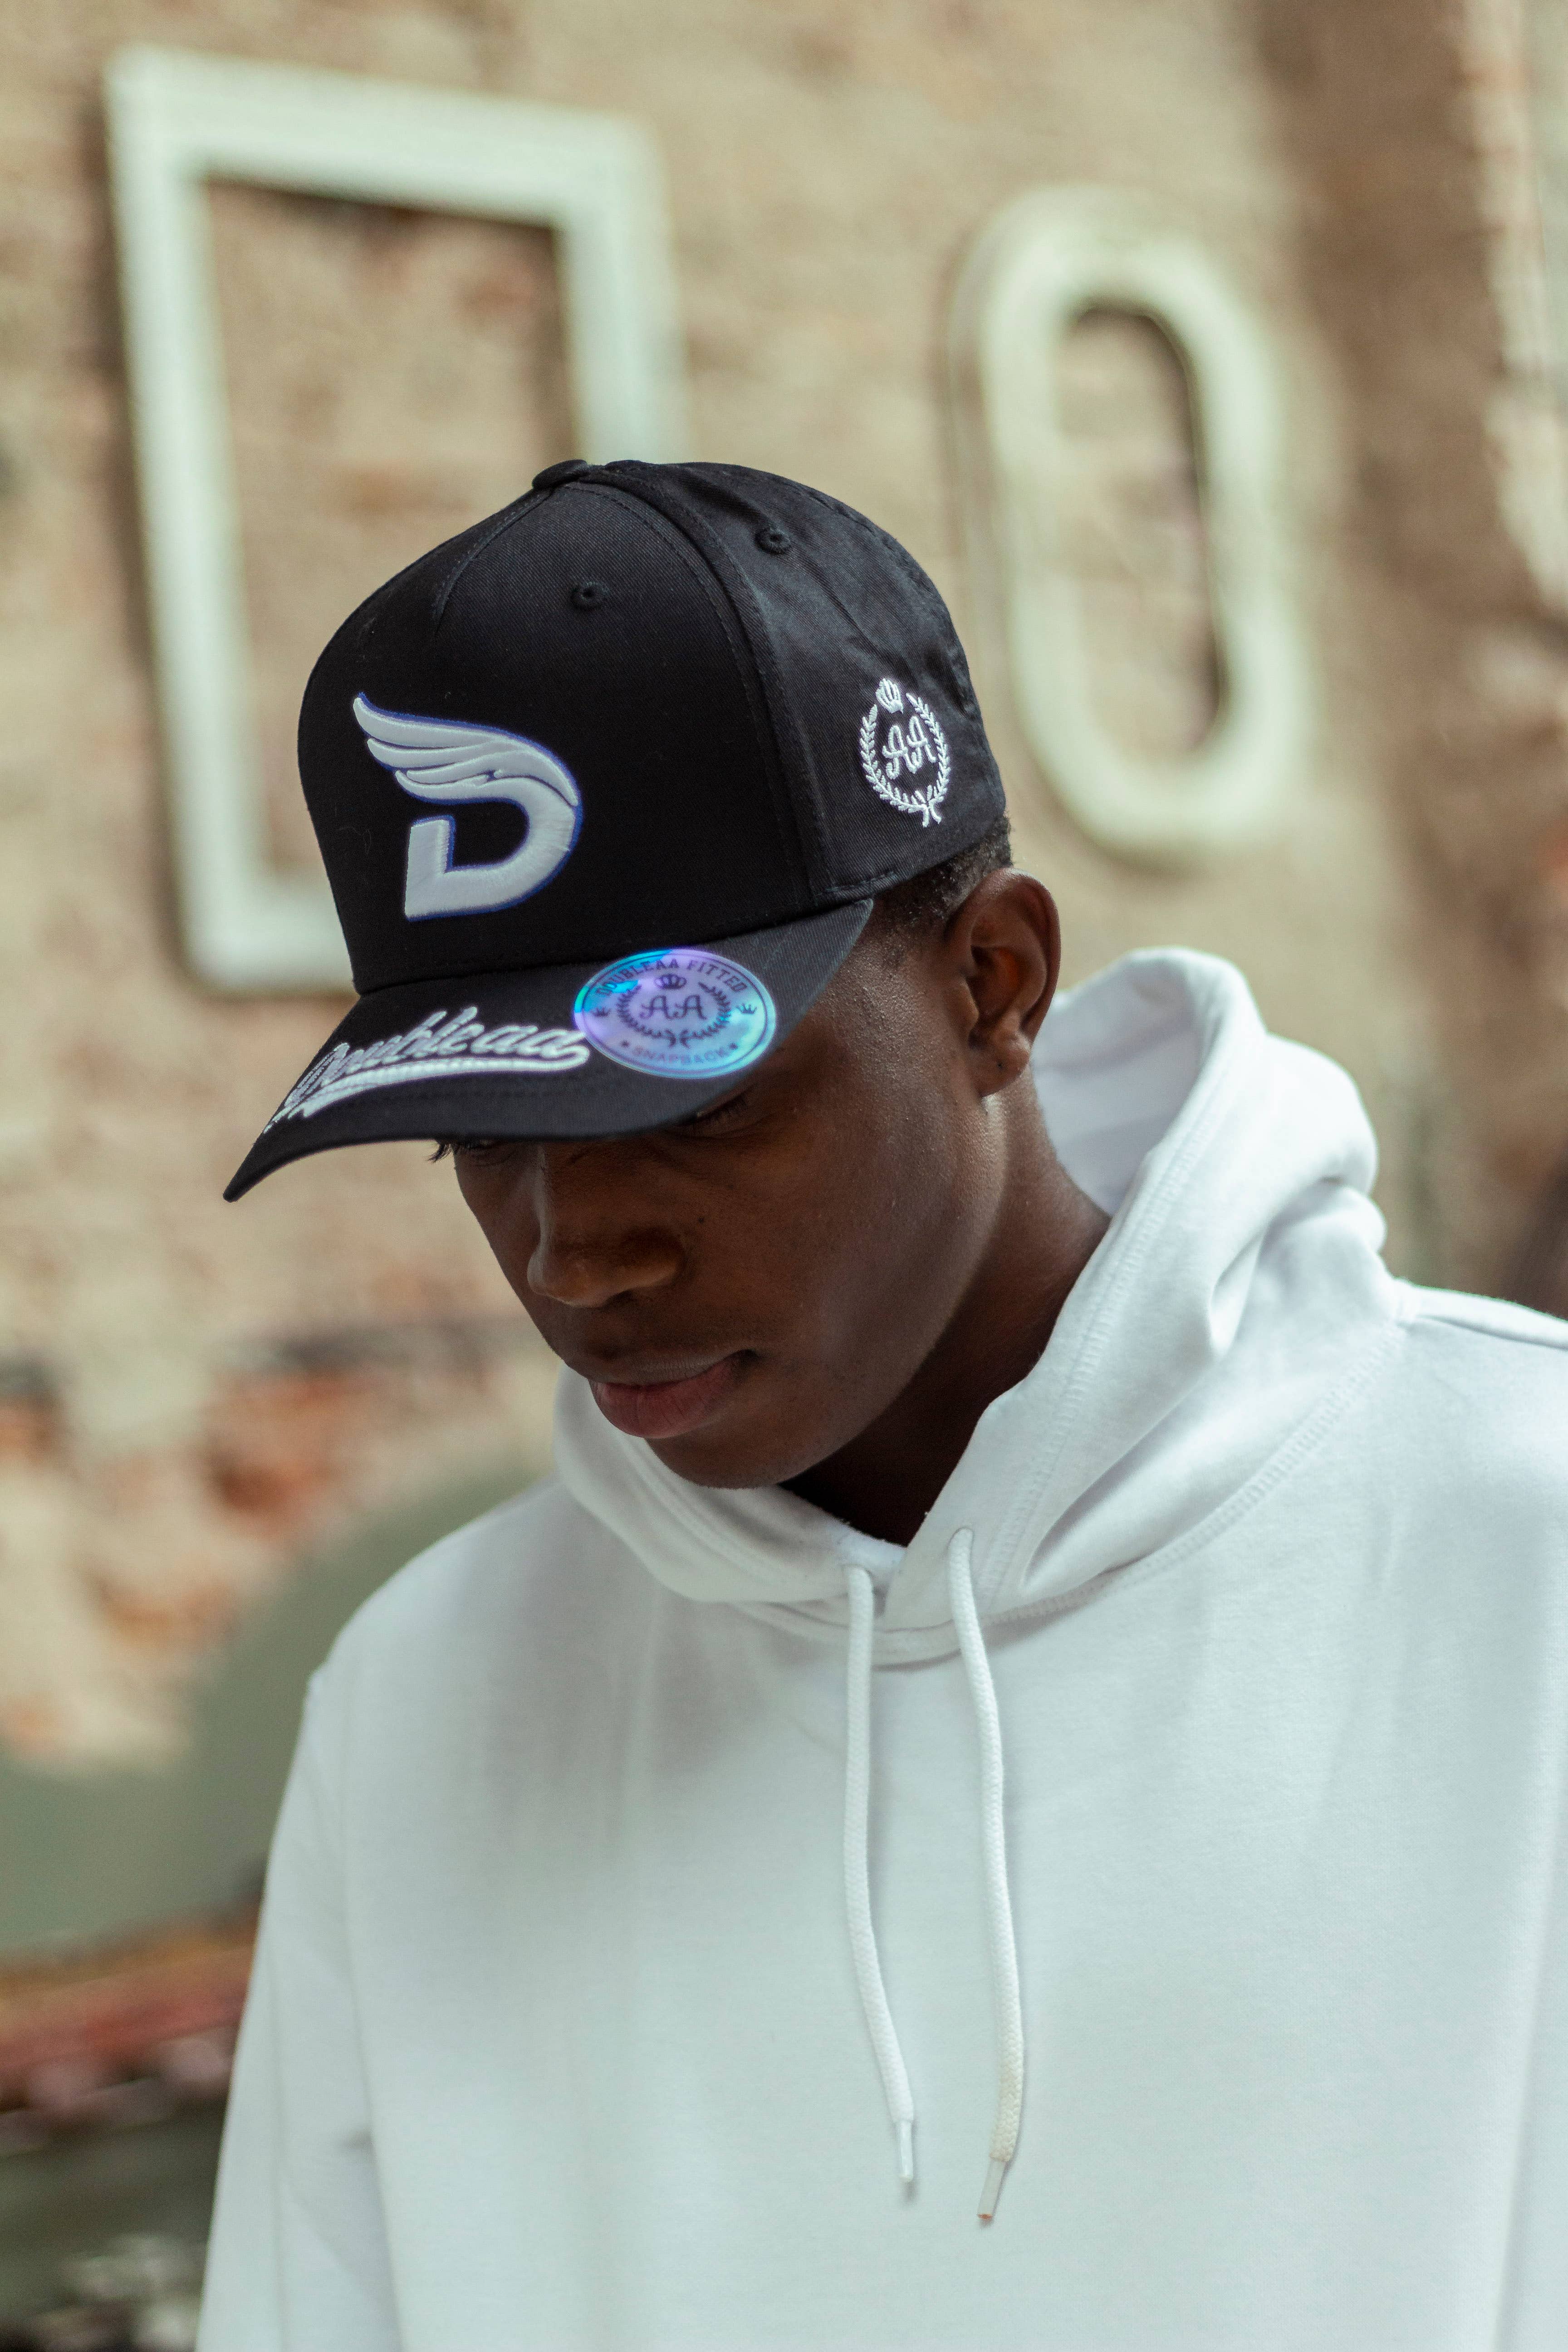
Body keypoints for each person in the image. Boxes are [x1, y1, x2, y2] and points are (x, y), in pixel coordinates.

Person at [199, 461, 1568, 2352]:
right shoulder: (428, 1707)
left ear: (996, 984)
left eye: (689, 1103)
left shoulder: (1520, 1549)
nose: (576, 1256)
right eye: (481, 1135)